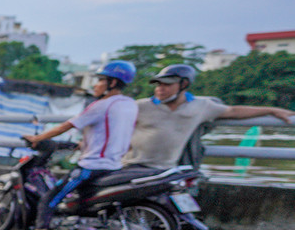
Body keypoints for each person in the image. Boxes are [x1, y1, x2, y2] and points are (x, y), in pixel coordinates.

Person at [21, 60, 139, 230]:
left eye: (100, 80)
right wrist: (81, 145)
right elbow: (110, 132)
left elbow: (66, 126)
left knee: (49, 200)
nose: (95, 85)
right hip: (115, 165)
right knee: (85, 201)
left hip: (91, 167)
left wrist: (37, 138)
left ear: (113, 83)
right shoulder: (130, 105)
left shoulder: (101, 105)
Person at [123, 64, 294, 169]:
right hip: (133, 165)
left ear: (184, 84)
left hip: (167, 168)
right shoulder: (141, 106)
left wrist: (271, 110)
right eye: (158, 84)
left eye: (167, 84)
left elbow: (232, 111)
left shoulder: (202, 106)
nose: (160, 88)